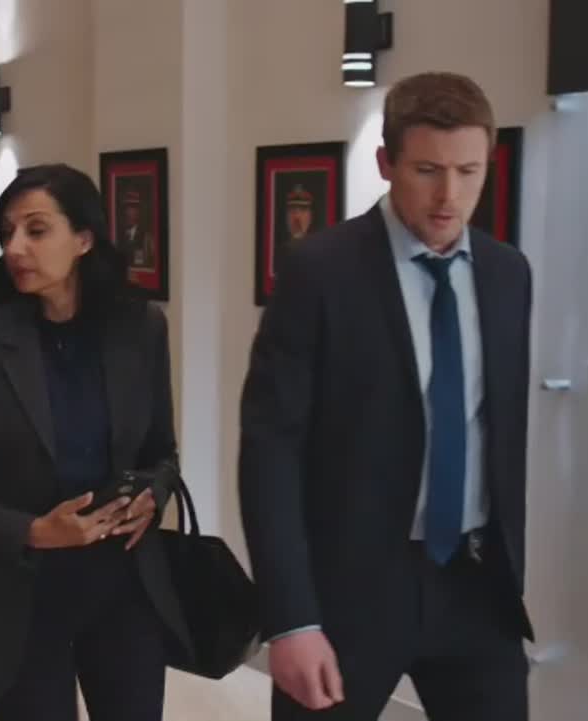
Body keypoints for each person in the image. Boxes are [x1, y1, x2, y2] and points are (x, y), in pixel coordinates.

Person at [239, 72, 535, 720]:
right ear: (386, 163)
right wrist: (290, 618)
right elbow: (270, 451)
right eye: (427, 170)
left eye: (468, 171)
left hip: (475, 585)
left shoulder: (508, 273)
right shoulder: (319, 271)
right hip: (350, 590)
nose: (448, 195)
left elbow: (499, 430)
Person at [0, 163, 190, 721]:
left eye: (36, 230)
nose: (15, 247)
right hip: (19, 594)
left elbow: (162, 453)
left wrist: (152, 495)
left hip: (123, 586)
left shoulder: (141, 328)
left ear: (84, 239)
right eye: (7, 233)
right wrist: (34, 532)